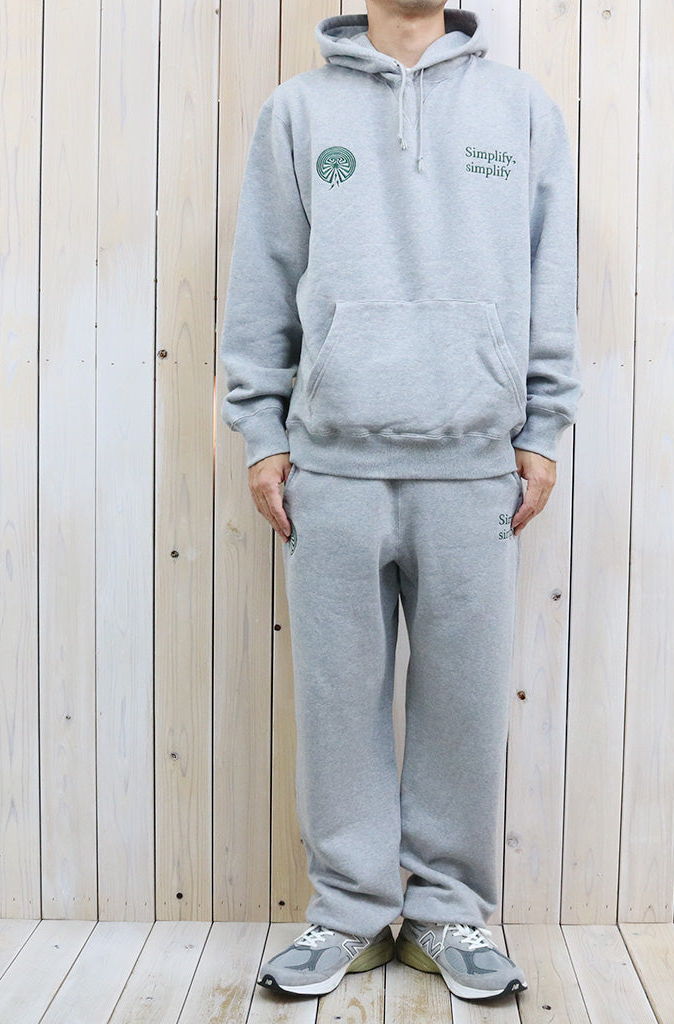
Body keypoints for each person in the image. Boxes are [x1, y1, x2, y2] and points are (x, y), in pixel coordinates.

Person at [219, 0, 582, 1002]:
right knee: (337, 703)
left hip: (474, 464)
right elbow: (262, 277)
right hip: (330, 467)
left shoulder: (520, 108)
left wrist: (542, 429)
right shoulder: (298, 111)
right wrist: (263, 433)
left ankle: (446, 911)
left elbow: (552, 274)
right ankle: (346, 912)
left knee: (465, 701)